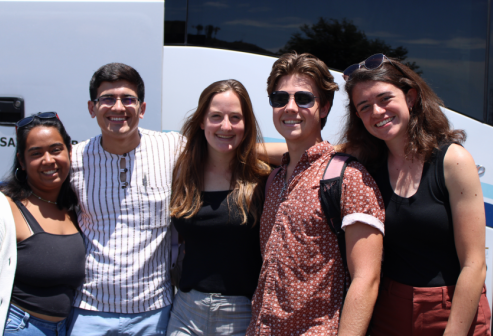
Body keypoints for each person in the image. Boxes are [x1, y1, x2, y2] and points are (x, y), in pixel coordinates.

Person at [340, 53, 491, 335]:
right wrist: (242, 152)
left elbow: (474, 264)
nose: (377, 112)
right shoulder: (365, 163)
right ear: (359, 117)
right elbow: (309, 153)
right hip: (389, 310)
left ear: (410, 97)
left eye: (385, 99)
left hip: (451, 311)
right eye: (365, 107)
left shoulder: (452, 160)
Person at [247, 52, 385, 336]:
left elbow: (366, 278)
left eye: (304, 98)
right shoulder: (274, 180)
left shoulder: (348, 178)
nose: (290, 107)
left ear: (324, 108)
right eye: (280, 98)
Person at [66, 63, 182, 335]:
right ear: (92, 108)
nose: (118, 108)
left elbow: (230, 149)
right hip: (89, 311)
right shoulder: (75, 159)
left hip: (154, 312)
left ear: (141, 108)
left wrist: (297, 148)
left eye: (128, 99)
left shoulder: (173, 148)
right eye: (107, 99)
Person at [0, 112, 84, 336]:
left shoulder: (75, 210)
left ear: (69, 152)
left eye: (56, 149)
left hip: (63, 328)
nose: (48, 160)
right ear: (22, 162)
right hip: (17, 327)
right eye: (36, 153)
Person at [167, 79, 270, 335]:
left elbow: (301, 151)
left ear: (246, 125)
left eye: (236, 117)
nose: (226, 125)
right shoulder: (183, 172)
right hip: (185, 310)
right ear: (202, 121)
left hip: (240, 314)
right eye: (216, 116)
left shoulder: (263, 177)